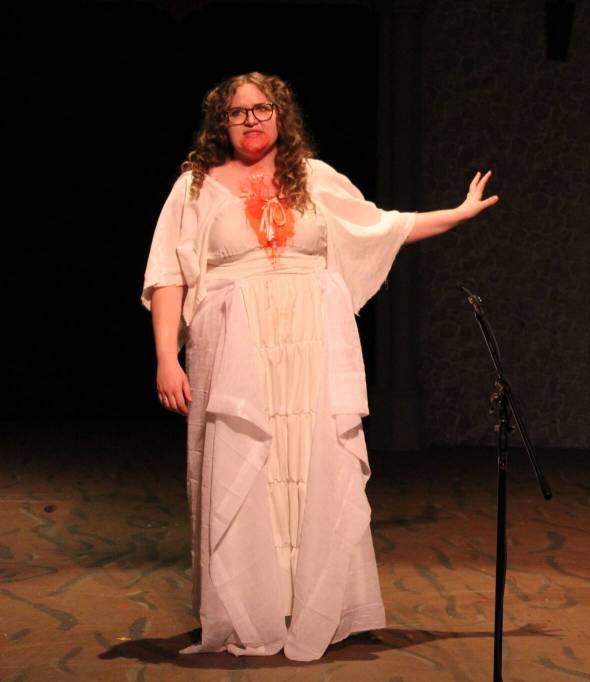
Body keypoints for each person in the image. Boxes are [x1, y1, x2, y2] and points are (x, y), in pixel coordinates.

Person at [142, 72, 497, 660]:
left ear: (281, 115)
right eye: (237, 112)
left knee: (309, 468)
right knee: (244, 470)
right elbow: (167, 276)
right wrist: (164, 357)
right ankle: (245, 610)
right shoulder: (195, 187)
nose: (251, 120)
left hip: (310, 349)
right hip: (233, 352)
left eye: (262, 109)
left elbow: (384, 225)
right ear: (220, 123)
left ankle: (316, 605)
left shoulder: (315, 179)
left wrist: (456, 214)